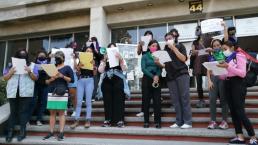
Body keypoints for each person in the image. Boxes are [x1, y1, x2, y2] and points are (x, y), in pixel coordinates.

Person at [218, 41, 257, 145]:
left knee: (240, 111)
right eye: (222, 49)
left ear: (232, 48)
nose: (223, 51)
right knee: (233, 112)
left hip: (238, 84)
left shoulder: (239, 55)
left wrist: (227, 67)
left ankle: (253, 137)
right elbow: (224, 76)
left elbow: (242, 73)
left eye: (225, 48)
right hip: (228, 84)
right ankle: (239, 136)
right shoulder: (226, 58)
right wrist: (217, 71)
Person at [155, 30, 192, 129]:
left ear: (174, 39)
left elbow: (183, 59)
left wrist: (174, 48)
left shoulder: (180, 46)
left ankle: (188, 121)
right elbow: (165, 65)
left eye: (170, 38)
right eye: (166, 39)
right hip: (170, 76)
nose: (168, 40)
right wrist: (158, 63)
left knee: (184, 98)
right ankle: (179, 121)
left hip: (181, 74)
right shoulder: (165, 50)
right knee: (175, 100)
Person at [4, 49, 38, 142]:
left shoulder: (32, 65)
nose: (22, 57)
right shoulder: (10, 64)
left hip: (26, 92)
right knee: (13, 112)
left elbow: (35, 78)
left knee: (23, 112)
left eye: (24, 55)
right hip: (13, 91)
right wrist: (11, 71)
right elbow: (5, 78)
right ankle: (10, 133)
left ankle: (22, 132)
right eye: (20, 56)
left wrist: (29, 71)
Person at [43, 51, 74, 141]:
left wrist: (62, 76)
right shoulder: (51, 68)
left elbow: (72, 80)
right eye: (56, 58)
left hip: (62, 91)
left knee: (61, 113)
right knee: (52, 113)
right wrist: (52, 78)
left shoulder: (67, 67)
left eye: (59, 57)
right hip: (51, 90)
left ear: (63, 58)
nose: (57, 59)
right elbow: (46, 82)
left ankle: (61, 133)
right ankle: (51, 132)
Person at [98, 43, 128, 128]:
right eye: (110, 49)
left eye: (113, 49)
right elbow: (100, 70)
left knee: (119, 100)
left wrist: (121, 59)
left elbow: (125, 69)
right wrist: (104, 60)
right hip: (107, 80)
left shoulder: (120, 57)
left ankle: (120, 120)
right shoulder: (104, 58)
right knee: (107, 100)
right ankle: (108, 120)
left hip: (118, 79)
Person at [70, 46, 97, 129]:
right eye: (87, 51)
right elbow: (77, 71)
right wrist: (77, 62)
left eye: (90, 51)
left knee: (88, 102)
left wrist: (93, 66)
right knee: (79, 102)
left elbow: (95, 74)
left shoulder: (93, 61)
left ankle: (88, 120)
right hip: (80, 80)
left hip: (89, 80)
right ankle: (76, 120)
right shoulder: (81, 60)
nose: (88, 52)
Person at [206, 39, 229, 129]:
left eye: (218, 45)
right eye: (214, 46)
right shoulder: (211, 56)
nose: (216, 47)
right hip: (213, 78)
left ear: (221, 45)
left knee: (224, 100)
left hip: (223, 78)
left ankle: (224, 121)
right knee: (212, 100)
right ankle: (213, 121)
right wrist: (209, 80)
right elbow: (208, 69)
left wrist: (224, 27)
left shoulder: (224, 54)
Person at [141, 40, 162, 129]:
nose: (154, 47)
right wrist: (152, 76)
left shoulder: (159, 56)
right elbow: (143, 68)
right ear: (149, 47)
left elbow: (160, 67)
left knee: (157, 102)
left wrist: (157, 75)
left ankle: (157, 122)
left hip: (156, 80)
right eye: (153, 46)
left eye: (156, 46)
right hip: (147, 80)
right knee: (146, 101)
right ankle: (146, 121)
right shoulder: (145, 56)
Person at [136, 30, 154, 117]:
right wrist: (140, 44)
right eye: (146, 36)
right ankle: (143, 110)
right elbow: (138, 53)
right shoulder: (143, 45)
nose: (148, 38)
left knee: (154, 92)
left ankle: (155, 110)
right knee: (145, 93)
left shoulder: (154, 45)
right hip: (145, 71)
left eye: (149, 36)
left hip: (154, 71)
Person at [191, 36, 209, 108]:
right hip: (198, 63)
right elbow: (193, 53)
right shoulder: (195, 42)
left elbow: (213, 50)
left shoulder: (209, 40)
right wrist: (202, 51)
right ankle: (201, 99)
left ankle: (216, 98)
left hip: (207, 62)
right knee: (199, 83)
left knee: (212, 80)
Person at [34, 50, 50, 126]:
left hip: (45, 86)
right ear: (37, 56)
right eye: (40, 55)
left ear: (46, 57)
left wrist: (49, 80)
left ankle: (39, 119)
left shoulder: (49, 64)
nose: (41, 56)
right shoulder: (33, 64)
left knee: (43, 102)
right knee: (33, 102)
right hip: (35, 85)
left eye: (43, 55)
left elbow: (52, 74)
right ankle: (28, 119)